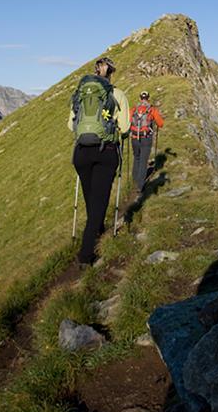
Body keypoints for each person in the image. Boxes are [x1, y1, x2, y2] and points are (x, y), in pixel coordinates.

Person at [69, 56, 130, 265]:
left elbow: (71, 125)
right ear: (111, 73)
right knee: (99, 200)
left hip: (81, 152)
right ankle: (86, 254)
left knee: (91, 198)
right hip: (106, 151)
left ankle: (98, 228)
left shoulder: (80, 93)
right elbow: (125, 127)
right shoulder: (117, 94)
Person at [130, 90, 164, 192]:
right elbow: (160, 124)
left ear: (140, 98)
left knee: (136, 158)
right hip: (146, 138)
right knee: (143, 161)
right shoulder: (151, 109)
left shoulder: (134, 109)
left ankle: (134, 181)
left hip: (135, 137)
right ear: (148, 98)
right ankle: (140, 186)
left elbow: (128, 120)